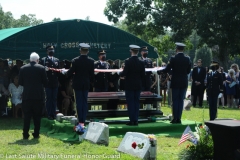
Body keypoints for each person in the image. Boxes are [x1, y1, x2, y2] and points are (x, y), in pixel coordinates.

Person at [157, 42, 191, 124]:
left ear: (176, 49)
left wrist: (159, 71)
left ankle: (175, 118)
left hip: (175, 81)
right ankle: (179, 118)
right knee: (181, 100)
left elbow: (167, 69)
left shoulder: (173, 58)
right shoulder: (187, 59)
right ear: (183, 49)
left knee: (175, 100)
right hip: (183, 82)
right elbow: (188, 71)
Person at [19, 52, 48, 139]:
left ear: (30, 59)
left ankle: (25, 134)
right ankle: (36, 133)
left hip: (27, 95)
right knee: (37, 116)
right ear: (37, 60)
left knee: (27, 116)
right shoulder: (41, 68)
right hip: (38, 96)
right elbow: (45, 82)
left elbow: (20, 82)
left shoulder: (23, 68)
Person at [63, 43, 94, 124]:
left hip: (78, 84)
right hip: (86, 84)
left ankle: (80, 120)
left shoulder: (75, 60)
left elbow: (70, 72)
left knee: (79, 102)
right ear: (87, 51)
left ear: (80, 51)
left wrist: (64, 72)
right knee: (84, 102)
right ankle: (83, 118)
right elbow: (92, 74)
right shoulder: (91, 61)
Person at [121, 44, 145, 126]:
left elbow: (124, 73)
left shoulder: (128, 61)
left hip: (129, 85)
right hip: (138, 85)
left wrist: (119, 73)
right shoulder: (141, 62)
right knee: (136, 103)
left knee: (130, 103)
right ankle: (136, 120)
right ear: (138, 52)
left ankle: (132, 120)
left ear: (131, 51)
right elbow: (143, 75)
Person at [39, 45, 60, 120]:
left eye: (52, 50)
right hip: (47, 82)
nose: (51, 51)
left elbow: (58, 71)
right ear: (47, 51)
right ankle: (48, 114)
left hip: (55, 82)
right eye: (50, 50)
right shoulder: (43, 60)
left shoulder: (57, 60)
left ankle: (53, 113)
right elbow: (40, 71)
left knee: (54, 98)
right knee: (48, 98)